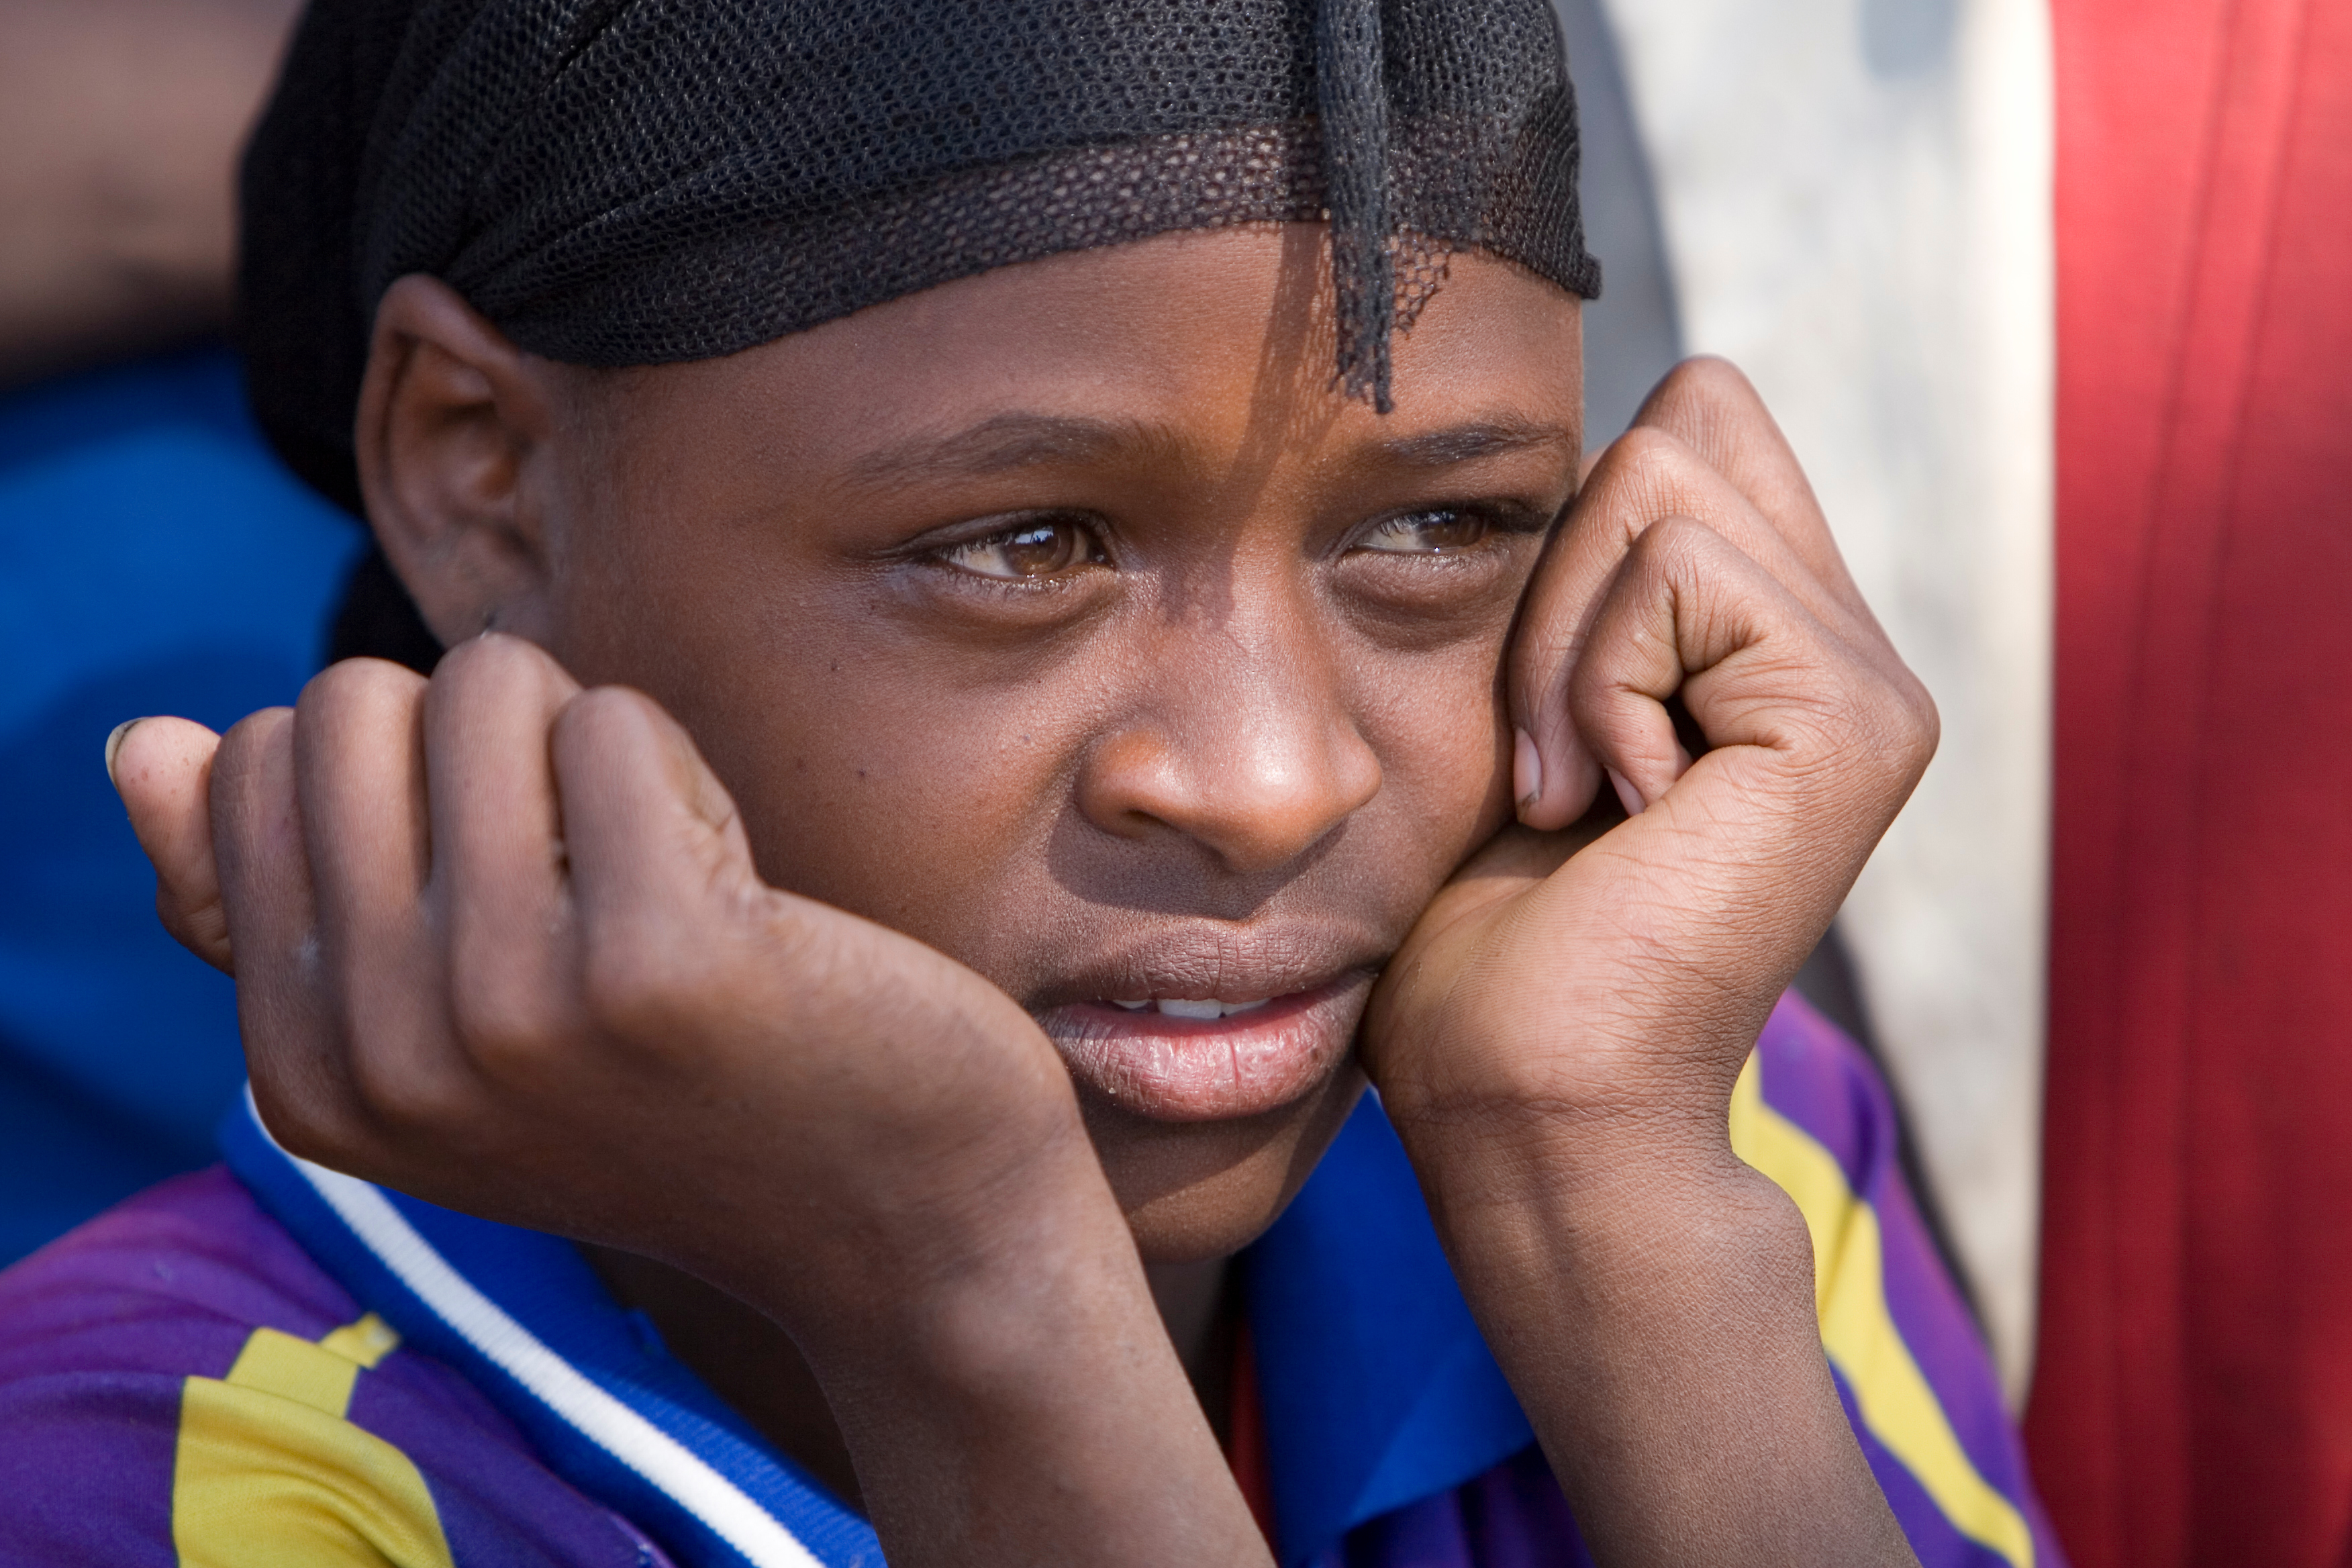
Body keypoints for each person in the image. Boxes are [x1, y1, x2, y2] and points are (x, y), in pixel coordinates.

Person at [0, 1, 2058, 1564]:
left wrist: (1600, 1193)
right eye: (1025, 547)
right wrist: (972, 1295)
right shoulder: (141, 1462)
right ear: (481, 467)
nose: (1265, 779)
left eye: (1433, 534)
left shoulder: (1690, 1131)